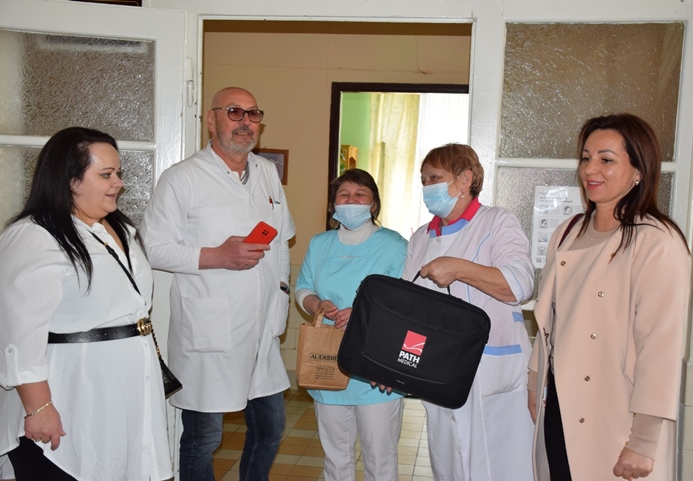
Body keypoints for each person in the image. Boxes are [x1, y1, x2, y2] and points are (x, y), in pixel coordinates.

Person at [140, 87, 295, 481]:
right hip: (208, 331)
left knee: (271, 427)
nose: (245, 121)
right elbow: (152, 249)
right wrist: (217, 256)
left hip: (260, 328)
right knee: (204, 438)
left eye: (253, 113)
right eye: (234, 112)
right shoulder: (182, 178)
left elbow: (281, 242)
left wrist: (281, 292)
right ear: (211, 120)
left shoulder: (267, 173)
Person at [0, 127, 172, 480]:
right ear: (69, 180)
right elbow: (18, 332)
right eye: (106, 175)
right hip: (70, 398)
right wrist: (39, 408)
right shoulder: (35, 236)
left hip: (124, 397)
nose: (118, 183)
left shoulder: (121, 230)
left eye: (118, 173)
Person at [527, 114, 691, 481]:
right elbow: (549, 322)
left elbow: (660, 349)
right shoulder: (568, 232)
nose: (590, 169)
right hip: (560, 407)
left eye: (606, 159)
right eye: (586, 158)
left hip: (619, 413)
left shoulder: (656, 242)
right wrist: (534, 383)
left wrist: (644, 441)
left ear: (639, 171)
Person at [402, 143, 535, 480]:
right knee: (450, 465)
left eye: (435, 177)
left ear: (465, 179)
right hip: (437, 369)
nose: (427, 186)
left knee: (499, 467)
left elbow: (519, 285)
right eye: (423, 180)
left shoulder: (496, 221)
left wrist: (459, 268)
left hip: (490, 368)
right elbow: (410, 311)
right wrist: (399, 364)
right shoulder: (421, 237)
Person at [295, 169, 407, 481]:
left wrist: (361, 313)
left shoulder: (394, 245)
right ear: (333, 204)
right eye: (344, 195)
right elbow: (303, 288)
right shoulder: (320, 244)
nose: (351, 200)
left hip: (377, 366)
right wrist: (317, 305)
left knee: (379, 460)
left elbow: (404, 301)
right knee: (335, 460)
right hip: (328, 362)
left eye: (360, 195)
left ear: (374, 204)